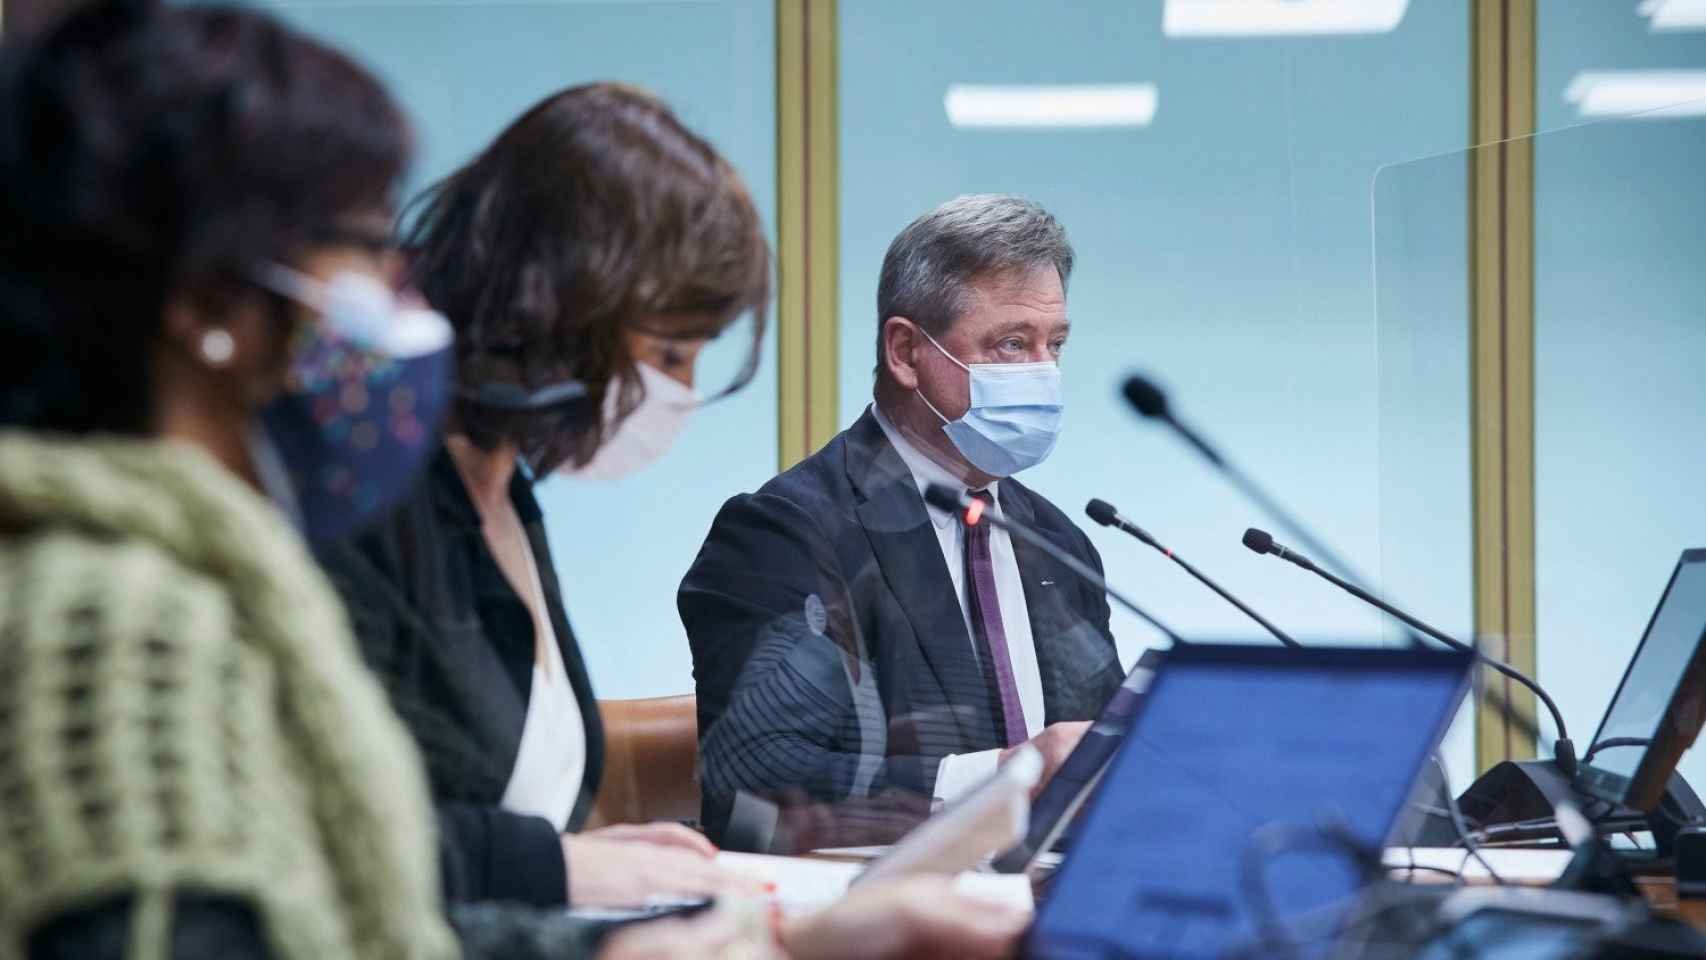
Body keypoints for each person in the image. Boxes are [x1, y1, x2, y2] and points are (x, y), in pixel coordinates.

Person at [0, 8, 1025, 958]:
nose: (389, 286)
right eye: (358, 247)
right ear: (210, 304)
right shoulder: (122, 614)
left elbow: (369, 911)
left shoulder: (306, 541)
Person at [682, 194, 1127, 847]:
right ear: (905, 352)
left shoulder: (1058, 543)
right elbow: (755, 792)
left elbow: (1096, 763)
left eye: (1054, 345)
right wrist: (1002, 779)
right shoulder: (790, 534)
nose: (1043, 374)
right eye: (1011, 344)